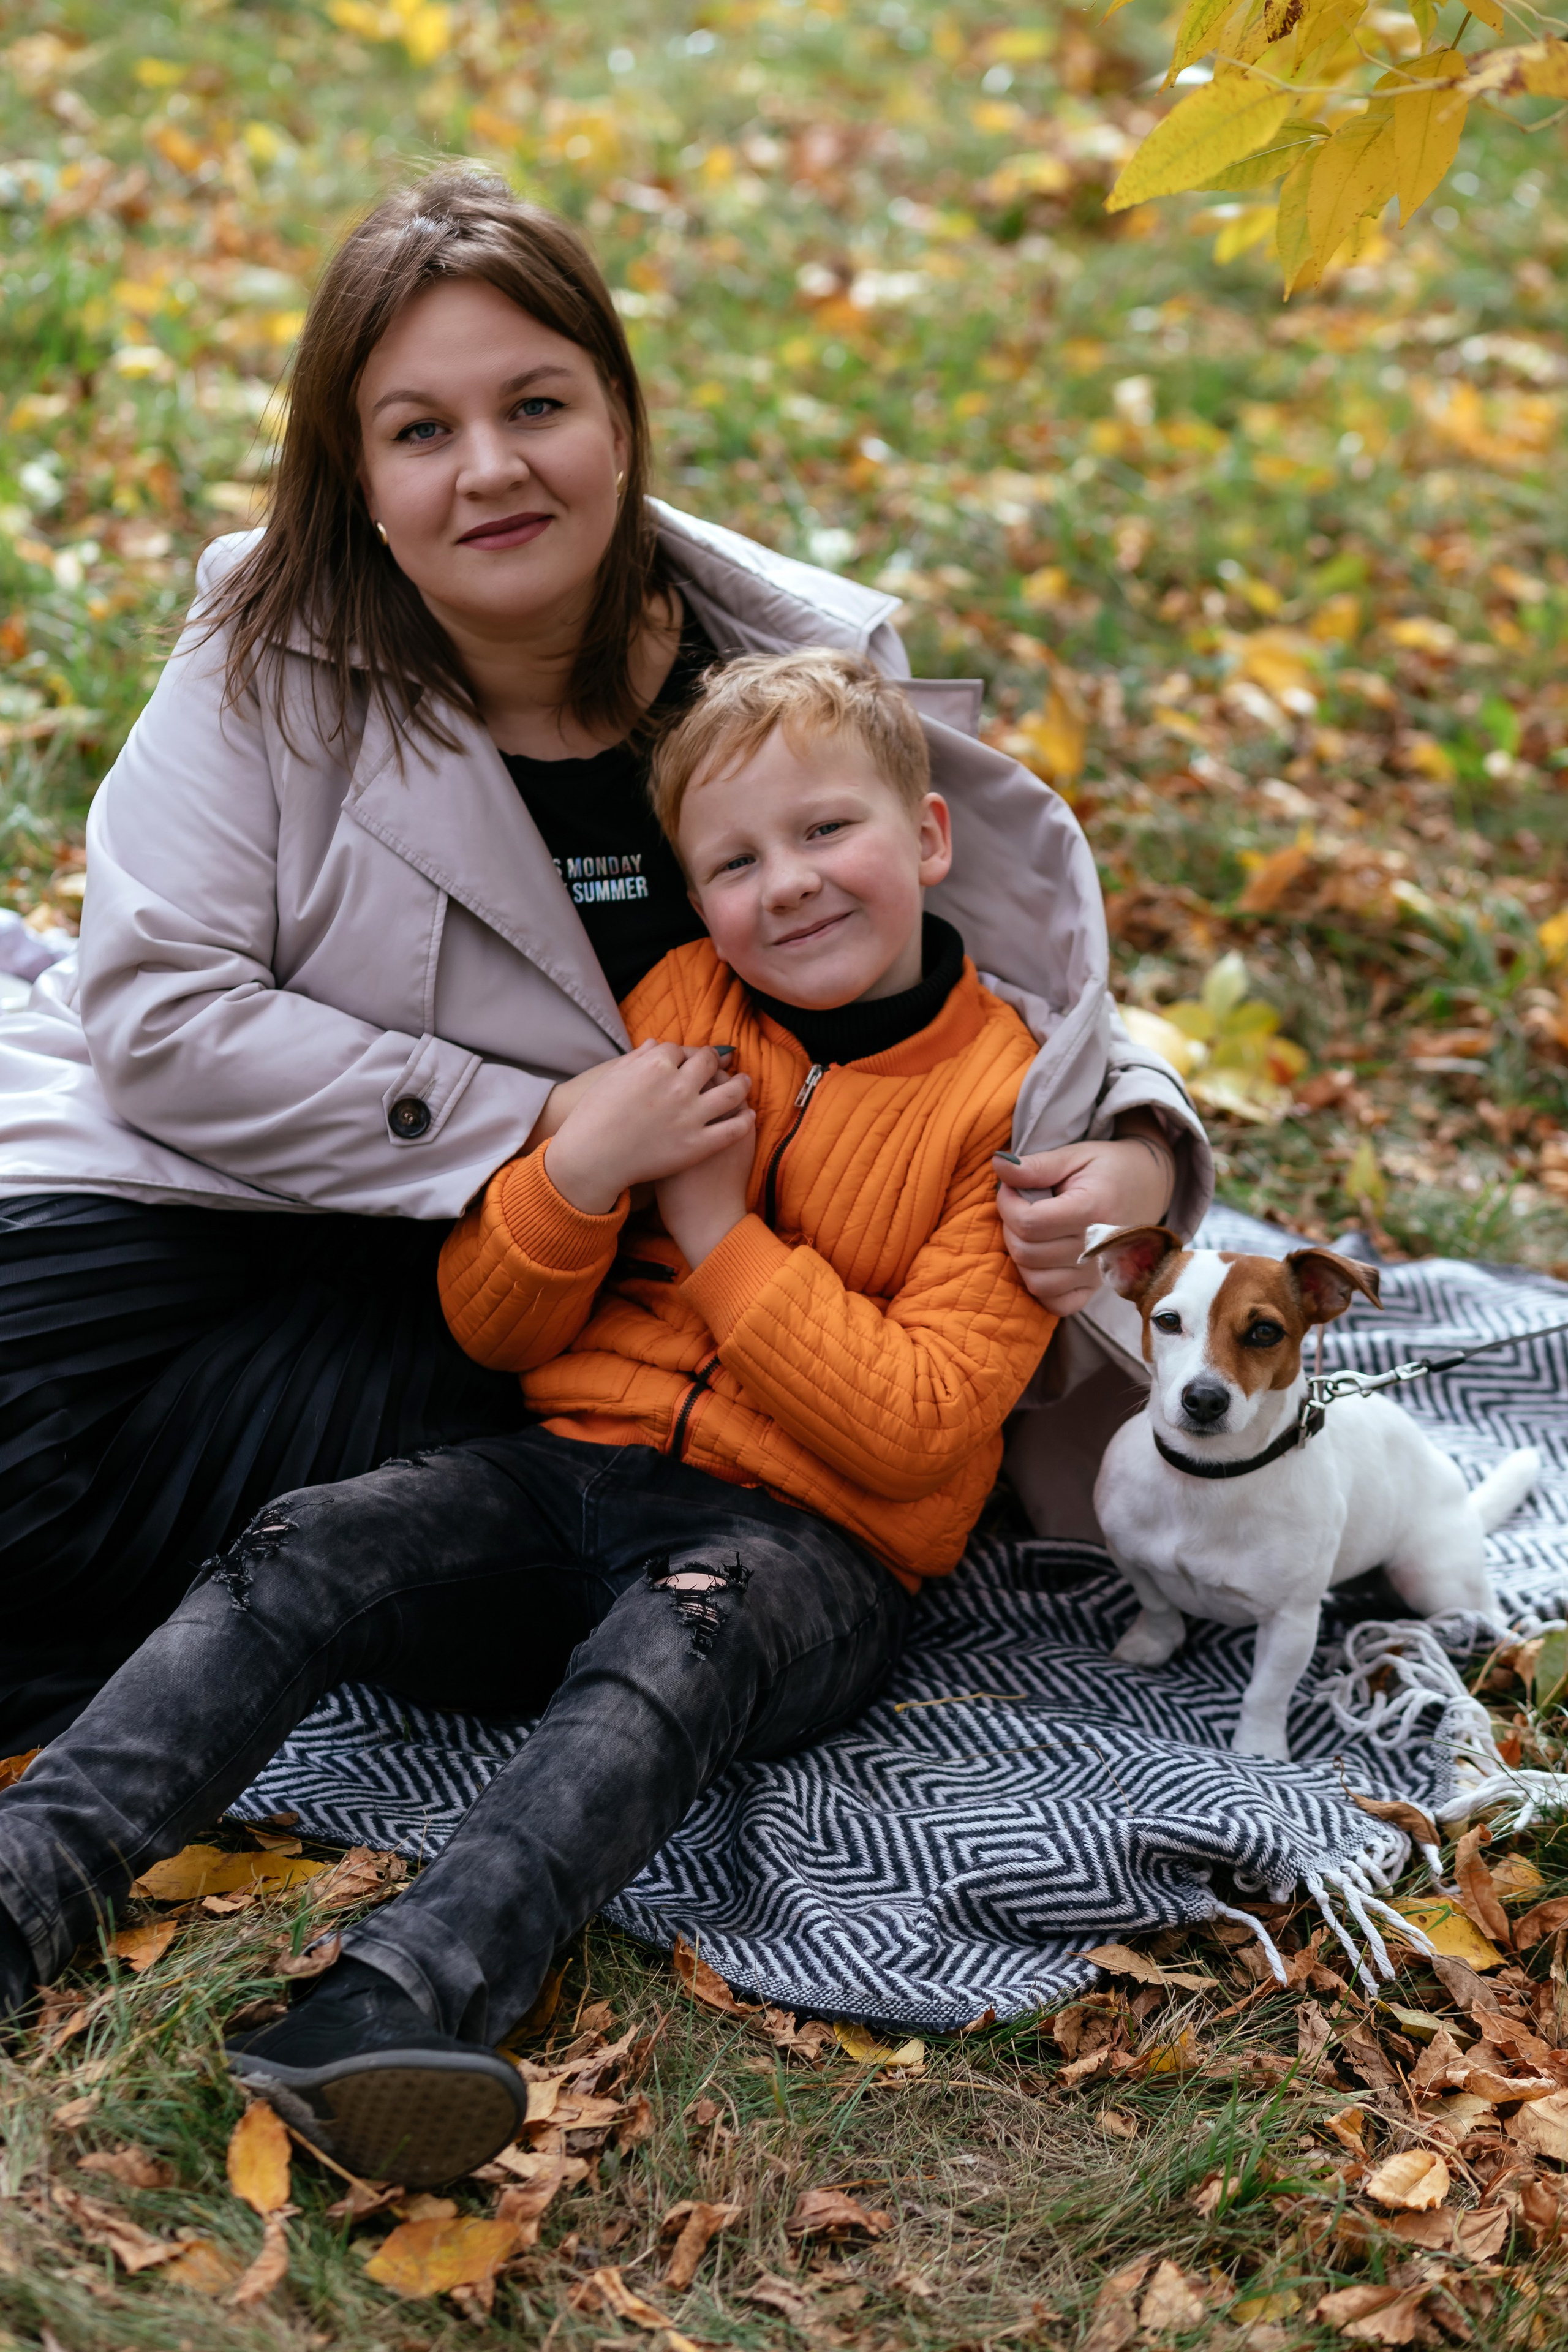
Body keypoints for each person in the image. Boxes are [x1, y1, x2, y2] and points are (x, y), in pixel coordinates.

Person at [0, 167, 1208, 1751]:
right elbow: (161, 1019)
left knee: (284, 1524)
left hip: (542, 1288)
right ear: (355, 472)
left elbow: (1005, 972)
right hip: (226, 1180)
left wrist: (1135, 1144)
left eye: (538, 404)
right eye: (422, 429)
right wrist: (563, 1122)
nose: (490, 469)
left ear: (620, 419)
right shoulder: (266, 657)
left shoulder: (786, 672)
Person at [0, 650, 1056, 2188]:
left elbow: (910, 1428)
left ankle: (397, 2005)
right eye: (737, 862)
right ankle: (33, 1883)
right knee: (308, 1539)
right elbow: (498, 1319)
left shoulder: (1006, 1104)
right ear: (691, 893)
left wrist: (712, 1229)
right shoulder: (676, 1011)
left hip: (806, 1554)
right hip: (564, 1472)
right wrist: (572, 1176)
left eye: (828, 833)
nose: (792, 887)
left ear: (929, 837)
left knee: (672, 1642)